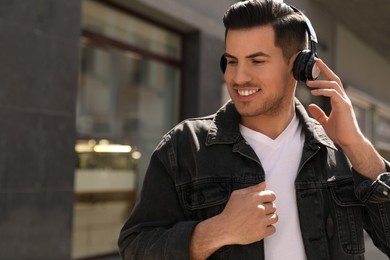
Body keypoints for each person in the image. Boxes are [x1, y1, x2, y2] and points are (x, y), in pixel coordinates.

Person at [118, 1, 390, 259]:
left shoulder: (338, 152)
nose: (238, 77)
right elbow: (135, 247)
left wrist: (356, 146)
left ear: (298, 66)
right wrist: (216, 231)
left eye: (257, 61)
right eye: (232, 61)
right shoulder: (184, 146)